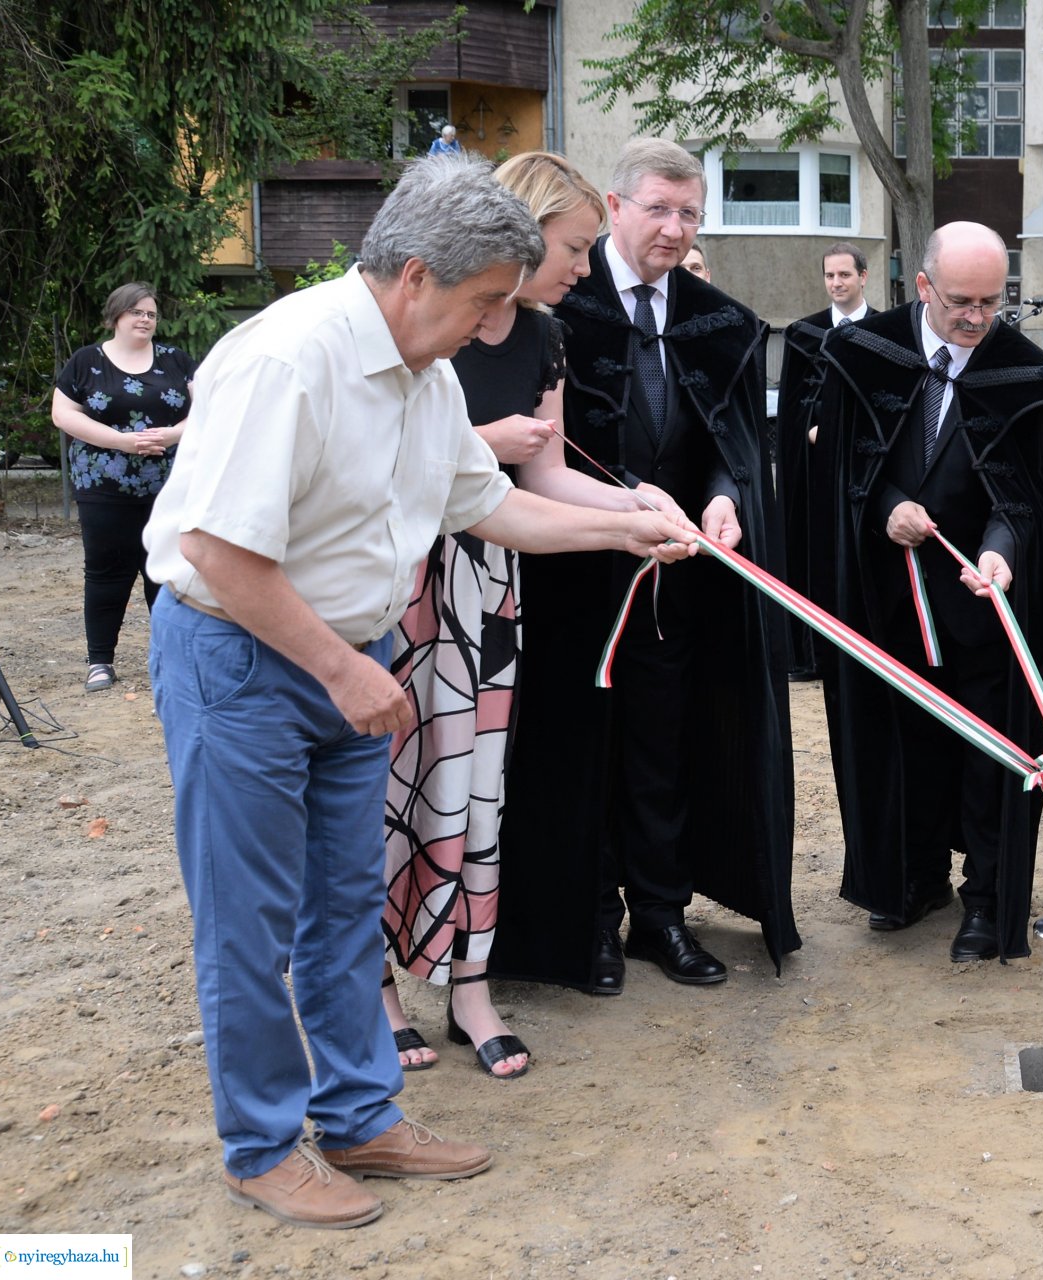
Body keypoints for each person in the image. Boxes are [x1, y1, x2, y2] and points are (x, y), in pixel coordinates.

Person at [143, 155, 697, 1229]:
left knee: (345, 904)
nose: (499, 324)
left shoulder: (427, 374)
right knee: (249, 922)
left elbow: (488, 505)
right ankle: (261, 1144)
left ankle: (360, 1113)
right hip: (245, 658)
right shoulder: (288, 359)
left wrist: (627, 525)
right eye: (486, 299)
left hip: (351, 665)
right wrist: (345, 666)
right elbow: (216, 546)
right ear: (412, 275)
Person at [379, 153, 674, 1079]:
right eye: (575, 247)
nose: (585, 268)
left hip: (495, 574)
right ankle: (374, 988)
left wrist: (634, 506)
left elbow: (545, 476)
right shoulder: (432, 319)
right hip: (406, 576)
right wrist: (481, 445)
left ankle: (471, 987)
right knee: (391, 784)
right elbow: (384, 452)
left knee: (479, 788)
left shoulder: (542, 335)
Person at [491, 137, 796, 995]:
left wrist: (728, 493)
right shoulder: (554, 310)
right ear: (616, 209)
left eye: (689, 213)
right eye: (657, 208)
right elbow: (537, 461)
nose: (673, 227)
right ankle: (587, 920)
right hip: (566, 575)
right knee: (578, 750)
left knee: (665, 746)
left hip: (675, 581)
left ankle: (660, 915)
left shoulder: (717, 322)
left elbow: (729, 444)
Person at [811, 221, 1043, 963]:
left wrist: (998, 554)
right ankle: (910, 879)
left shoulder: (1032, 381)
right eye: (961, 300)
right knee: (901, 746)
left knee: (991, 753)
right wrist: (883, 506)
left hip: (983, 609)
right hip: (884, 597)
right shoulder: (862, 355)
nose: (976, 317)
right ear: (922, 286)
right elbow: (836, 473)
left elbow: (1027, 498)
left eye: (992, 301)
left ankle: (988, 902)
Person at [50, 284, 194, 692]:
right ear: (116, 316)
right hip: (102, 485)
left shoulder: (176, 361)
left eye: (151, 313)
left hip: (168, 486)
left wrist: (172, 436)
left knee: (163, 571)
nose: (145, 319)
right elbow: (63, 414)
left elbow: (208, 409)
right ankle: (100, 662)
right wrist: (122, 442)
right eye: (136, 312)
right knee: (105, 571)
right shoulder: (86, 361)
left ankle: (168, 659)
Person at [777, 241, 878, 680]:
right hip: (814, 469)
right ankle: (811, 652)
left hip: (866, 470)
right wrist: (810, 430)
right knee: (812, 551)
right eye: (830, 276)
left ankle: (866, 649)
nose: (836, 283)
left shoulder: (886, 332)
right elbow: (791, 408)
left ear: (863, 276)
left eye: (844, 275)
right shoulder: (803, 333)